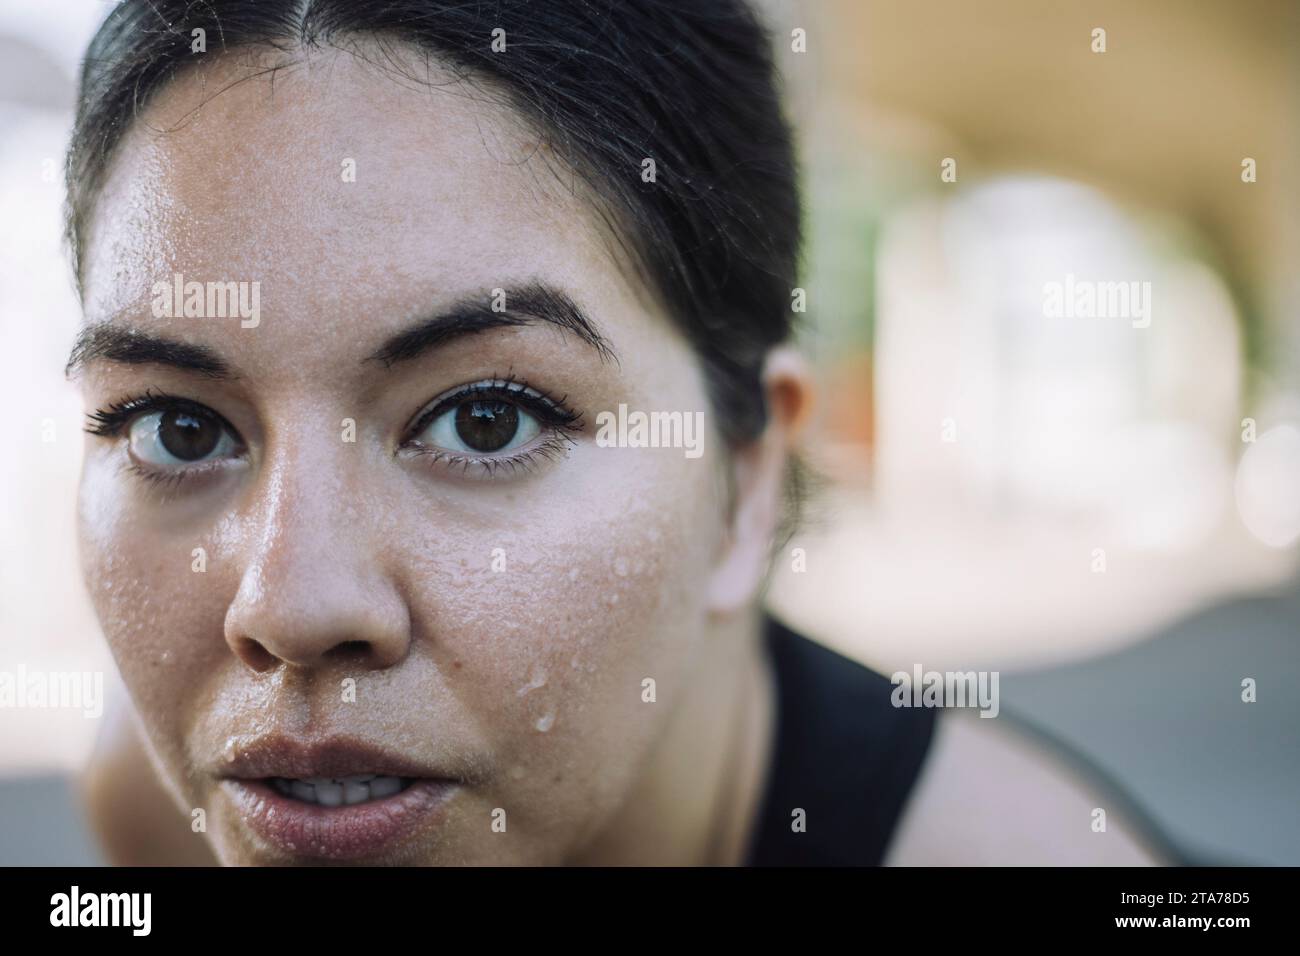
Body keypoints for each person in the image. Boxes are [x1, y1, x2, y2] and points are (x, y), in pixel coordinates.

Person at [68, 0, 1164, 865]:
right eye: (176, 425)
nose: (290, 607)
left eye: (484, 419)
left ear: (747, 475)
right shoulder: (159, 804)